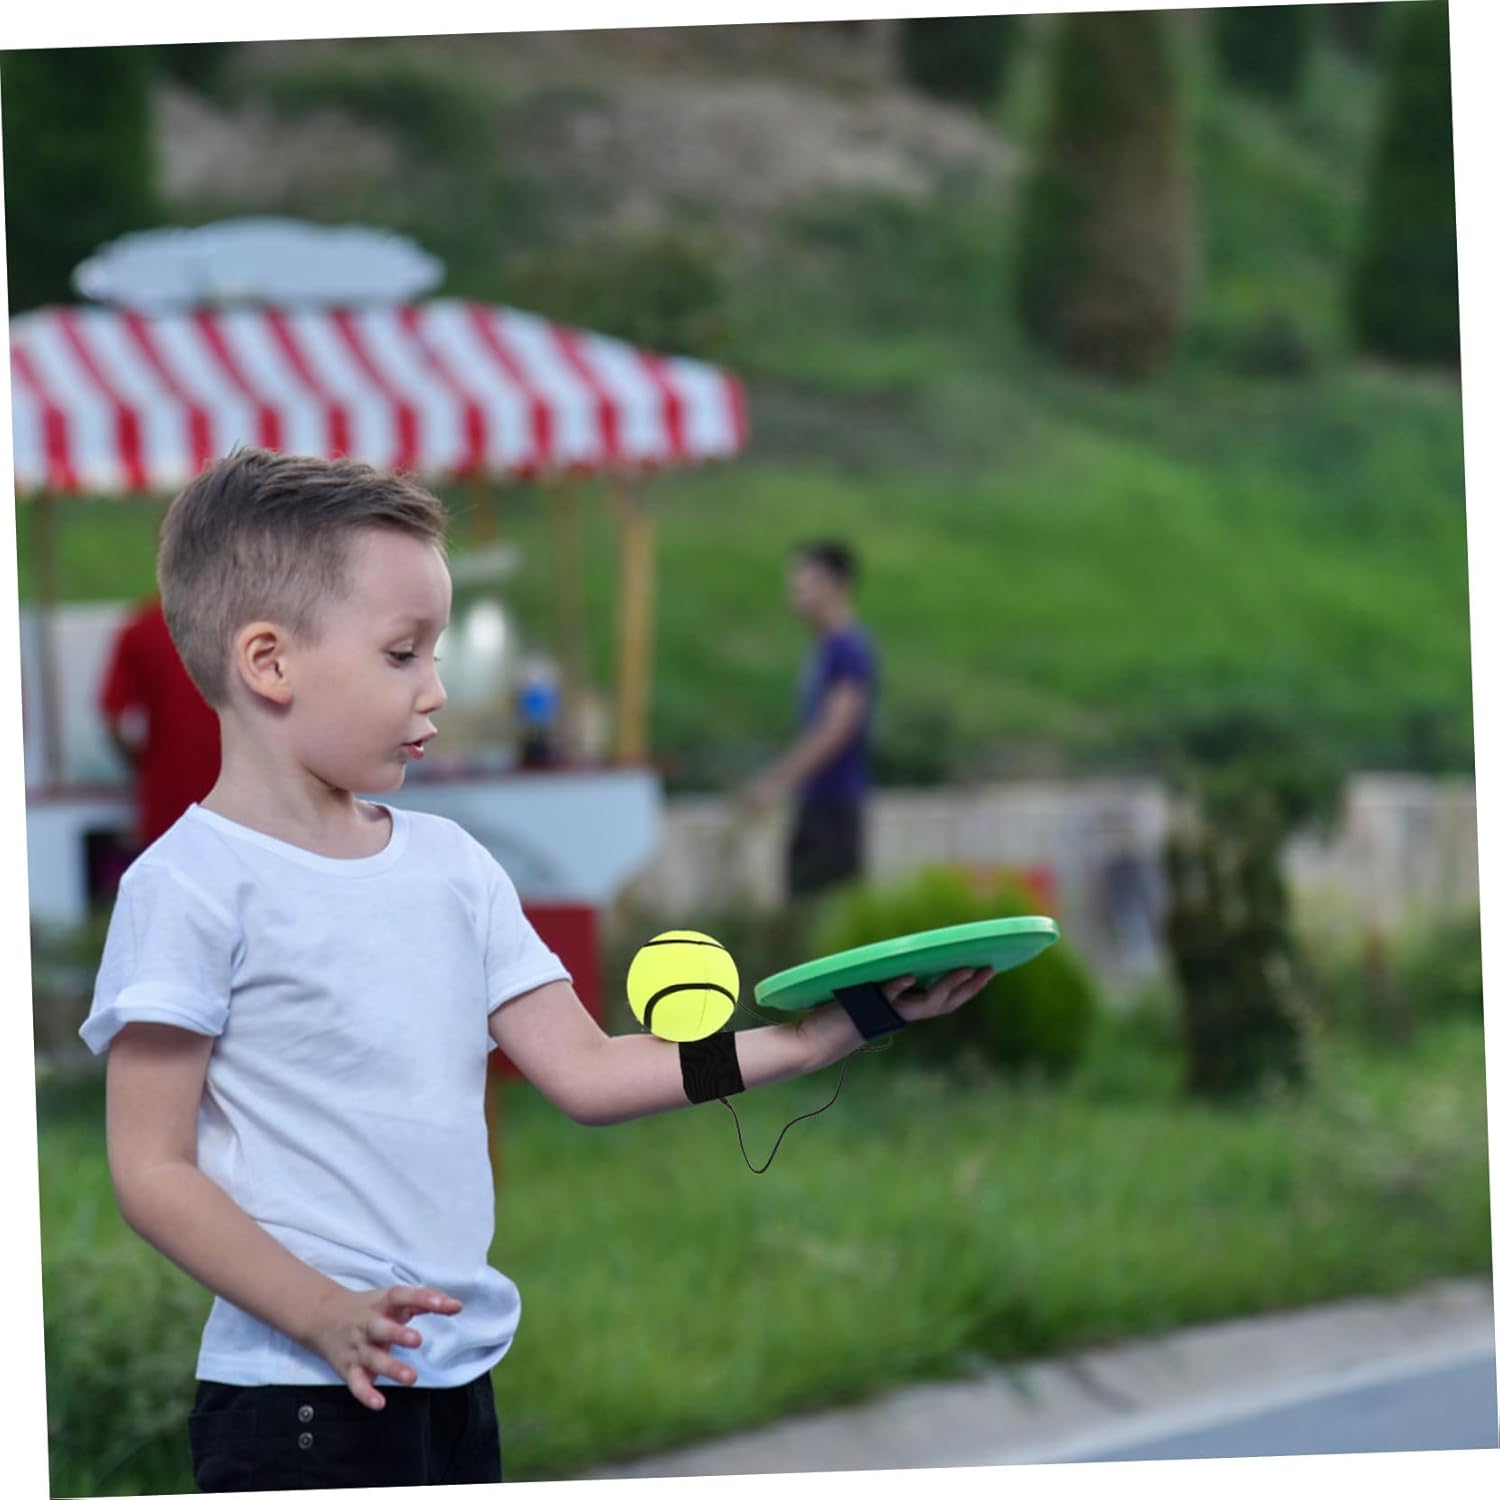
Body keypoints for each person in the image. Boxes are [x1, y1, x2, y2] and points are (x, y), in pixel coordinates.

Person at [77, 448, 992, 1492]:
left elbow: (590, 1072)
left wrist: (819, 1036)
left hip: (457, 1388)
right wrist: (319, 1312)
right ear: (270, 663)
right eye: (403, 654)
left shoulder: (454, 868)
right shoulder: (188, 887)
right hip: (297, 1404)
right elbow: (152, 1170)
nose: (436, 689)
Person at [741, 540, 878, 898]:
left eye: (805, 584)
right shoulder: (826, 648)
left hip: (833, 807)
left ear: (837, 586)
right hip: (816, 801)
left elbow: (837, 728)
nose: (795, 594)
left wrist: (777, 780)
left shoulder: (847, 649)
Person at [98, 593, 222, 849]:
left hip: (167, 798)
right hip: (238, 803)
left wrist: (141, 763)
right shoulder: (241, 624)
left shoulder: (142, 628)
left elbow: (113, 717)